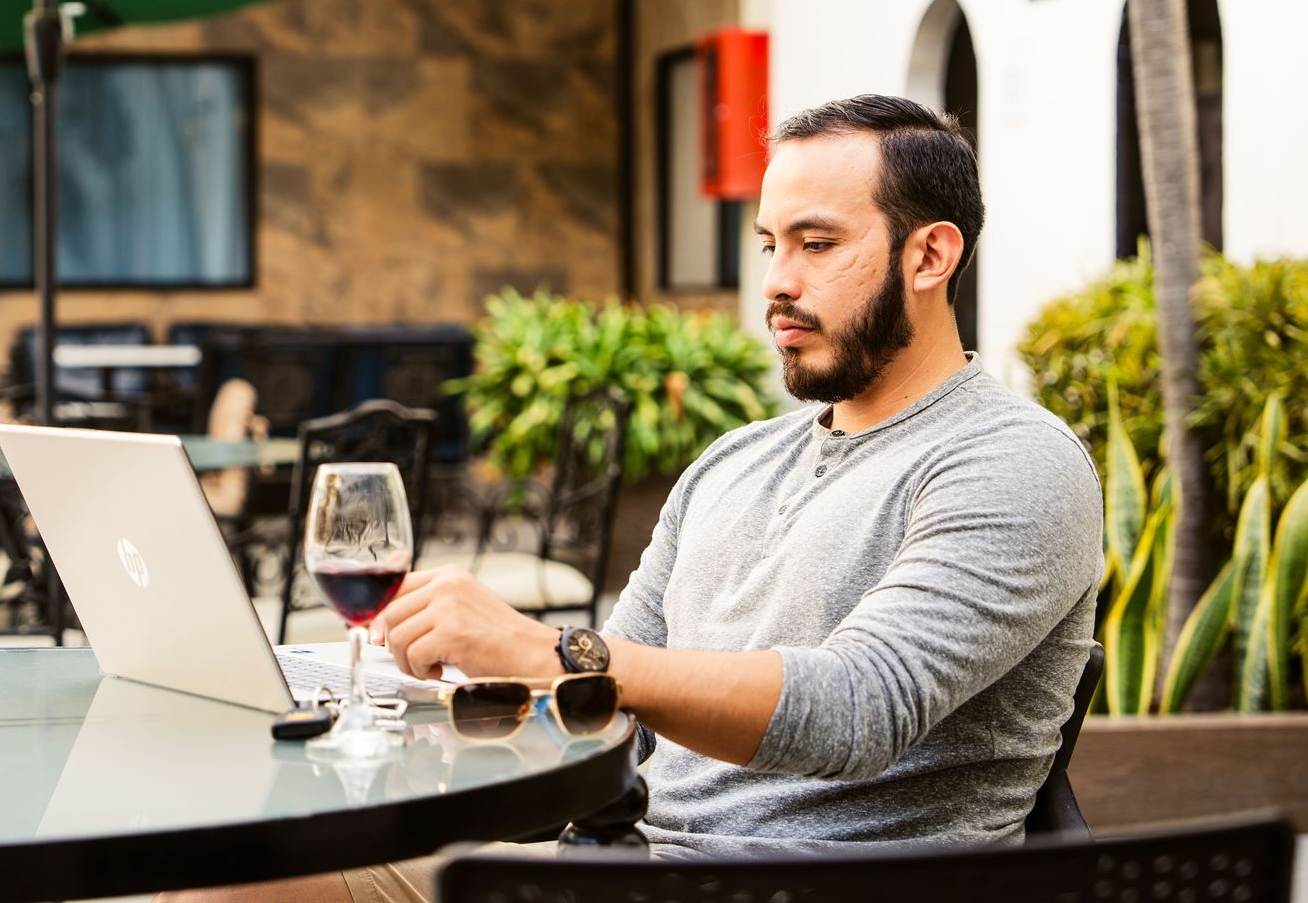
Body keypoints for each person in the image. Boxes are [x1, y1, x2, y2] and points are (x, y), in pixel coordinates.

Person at [186, 94, 1103, 903]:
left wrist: (551, 648)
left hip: (818, 884)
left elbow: (855, 711)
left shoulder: (1013, 462)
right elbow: (603, 696)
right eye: (770, 245)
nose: (779, 281)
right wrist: (416, 686)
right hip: (627, 862)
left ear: (931, 255)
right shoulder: (734, 464)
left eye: (819, 245)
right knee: (231, 876)